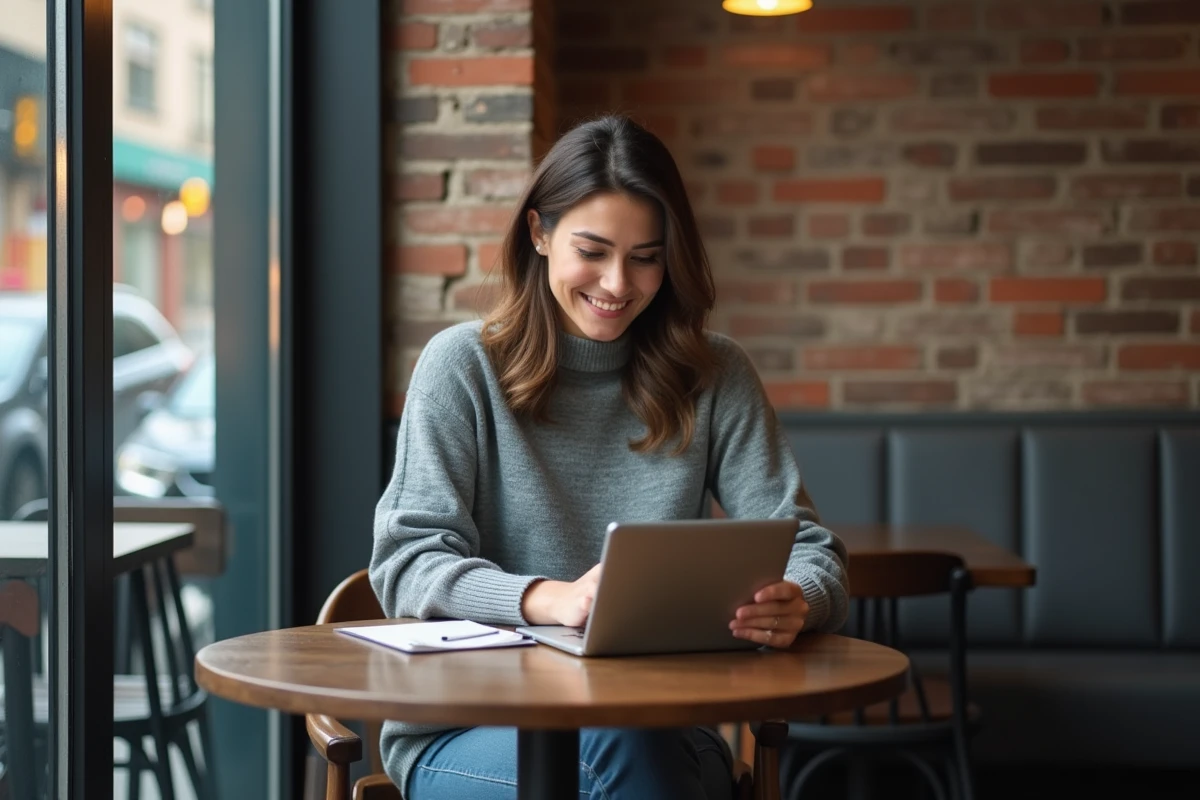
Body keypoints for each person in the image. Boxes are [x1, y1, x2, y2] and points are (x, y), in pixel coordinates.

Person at [369, 114, 849, 800]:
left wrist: (799, 598)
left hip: (661, 728)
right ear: (539, 233)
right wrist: (548, 599)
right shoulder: (462, 367)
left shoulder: (715, 375)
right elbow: (408, 561)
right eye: (592, 250)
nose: (618, 283)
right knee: (621, 768)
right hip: (468, 730)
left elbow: (811, 547)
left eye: (646, 257)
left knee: (633, 754)